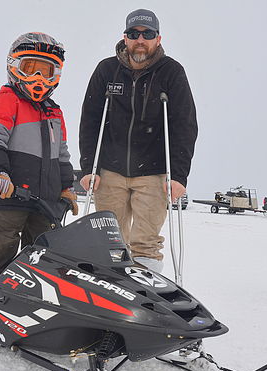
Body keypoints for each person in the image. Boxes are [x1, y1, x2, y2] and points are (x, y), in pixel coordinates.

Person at [0, 32, 77, 326]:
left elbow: (61, 154)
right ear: (14, 67)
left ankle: (33, 308)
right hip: (11, 195)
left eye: (46, 70)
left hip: (46, 201)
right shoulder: (8, 99)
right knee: (2, 246)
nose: (38, 77)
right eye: (31, 68)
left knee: (45, 255)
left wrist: (67, 187)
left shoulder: (54, 112)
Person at [78, 9, 198, 273]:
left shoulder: (172, 72)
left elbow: (184, 126)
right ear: (125, 37)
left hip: (153, 173)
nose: (140, 40)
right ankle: (108, 295)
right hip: (109, 171)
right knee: (109, 242)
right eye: (134, 34)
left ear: (158, 38)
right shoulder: (107, 70)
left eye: (148, 34)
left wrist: (178, 175)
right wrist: (89, 168)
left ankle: (145, 296)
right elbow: (90, 122)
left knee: (145, 244)